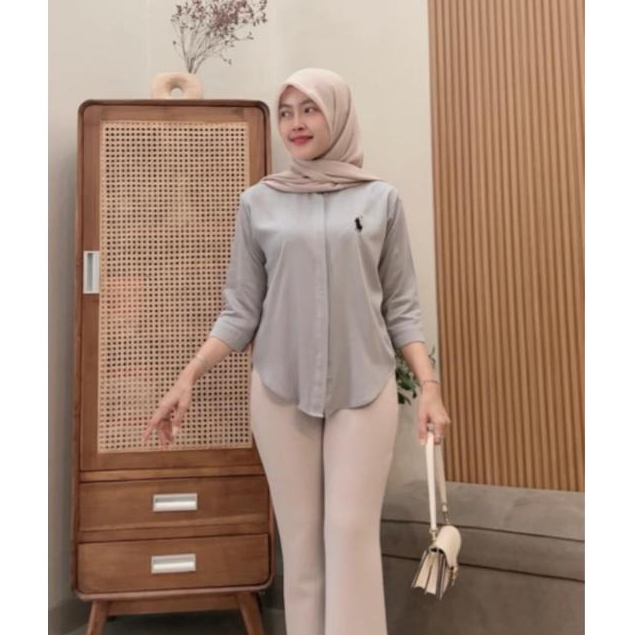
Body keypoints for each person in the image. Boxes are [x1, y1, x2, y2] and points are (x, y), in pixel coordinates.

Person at [143, 67, 451, 635]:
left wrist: (428, 388)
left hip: (364, 388)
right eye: (285, 112)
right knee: (302, 546)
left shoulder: (380, 200)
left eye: (309, 109)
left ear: (337, 114)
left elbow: (402, 308)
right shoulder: (259, 203)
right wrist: (187, 377)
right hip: (280, 391)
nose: (295, 123)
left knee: (350, 534)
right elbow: (241, 310)